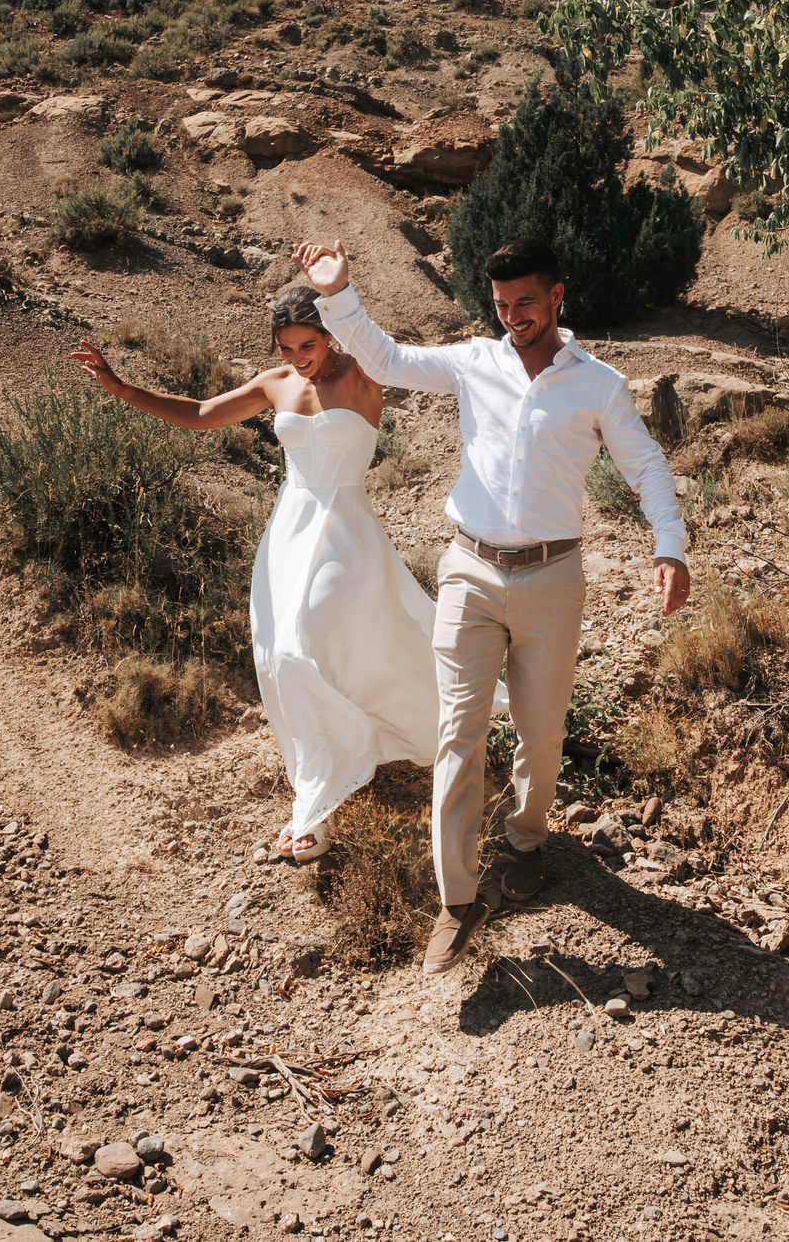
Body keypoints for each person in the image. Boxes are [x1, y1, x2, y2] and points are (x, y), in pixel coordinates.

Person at [293, 235, 691, 973]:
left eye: (527, 303)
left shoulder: (597, 384)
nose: (515, 318)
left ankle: (528, 838)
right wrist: (339, 292)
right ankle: (458, 900)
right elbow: (386, 358)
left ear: (558, 297)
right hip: (469, 570)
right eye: (503, 306)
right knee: (458, 732)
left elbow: (644, 464)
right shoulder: (474, 362)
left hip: (553, 579)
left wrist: (670, 543)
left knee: (540, 737)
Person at [68, 284, 437, 864]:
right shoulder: (276, 384)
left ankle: (336, 776)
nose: (297, 358)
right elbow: (198, 415)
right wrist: (120, 387)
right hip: (289, 532)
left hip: (346, 531)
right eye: (286, 347)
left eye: (307, 344)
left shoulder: (367, 372)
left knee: (298, 650)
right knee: (280, 655)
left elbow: (409, 358)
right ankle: (318, 802)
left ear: (331, 333)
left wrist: (339, 287)